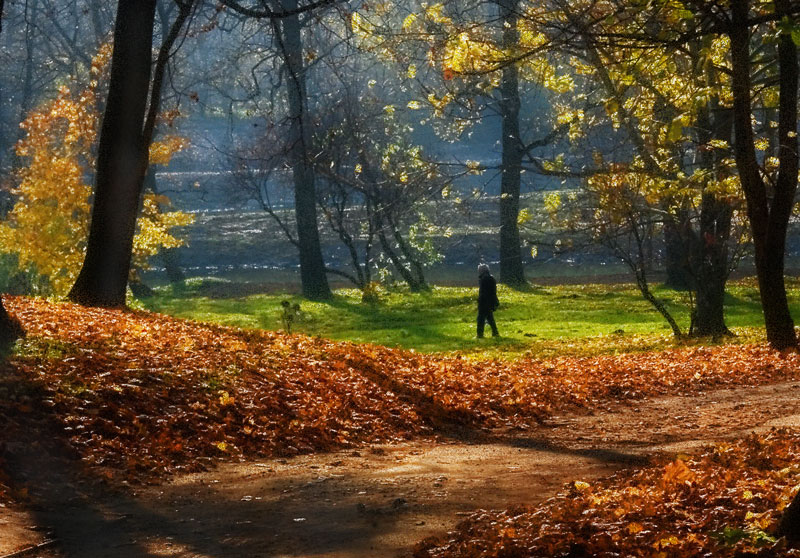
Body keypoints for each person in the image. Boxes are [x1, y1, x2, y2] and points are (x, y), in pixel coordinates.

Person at [477, 263, 499, 338]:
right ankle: (495, 332)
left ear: (482, 270)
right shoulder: (491, 278)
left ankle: (480, 334)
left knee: (481, 318)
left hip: (484, 301)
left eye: (479, 270)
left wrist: (480, 300)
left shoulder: (484, 279)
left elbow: (483, 292)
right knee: (489, 318)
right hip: (490, 300)